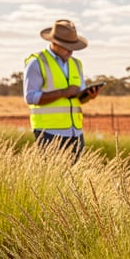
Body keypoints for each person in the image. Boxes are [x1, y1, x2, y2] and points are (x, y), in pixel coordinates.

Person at [24, 19, 99, 162]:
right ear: (54, 43)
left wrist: (88, 96)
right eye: (67, 47)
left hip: (75, 133)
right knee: (52, 179)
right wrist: (63, 93)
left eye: (73, 47)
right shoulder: (37, 62)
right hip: (49, 133)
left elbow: (76, 98)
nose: (71, 51)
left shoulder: (76, 64)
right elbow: (30, 97)